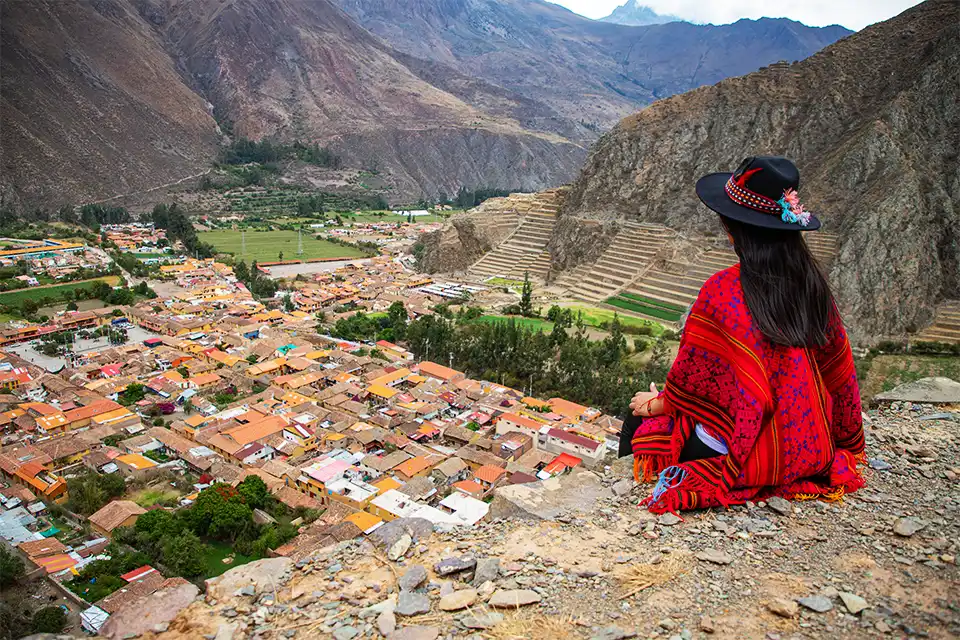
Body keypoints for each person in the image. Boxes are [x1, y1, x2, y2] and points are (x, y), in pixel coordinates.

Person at [620, 156, 865, 513]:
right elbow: (841, 379)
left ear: (733, 227)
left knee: (637, 421)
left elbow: (690, 384)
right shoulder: (814, 287)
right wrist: (846, 444)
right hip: (810, 447)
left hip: (746, 456)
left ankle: (633, 508)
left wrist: (652, 403)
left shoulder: (723, 292)